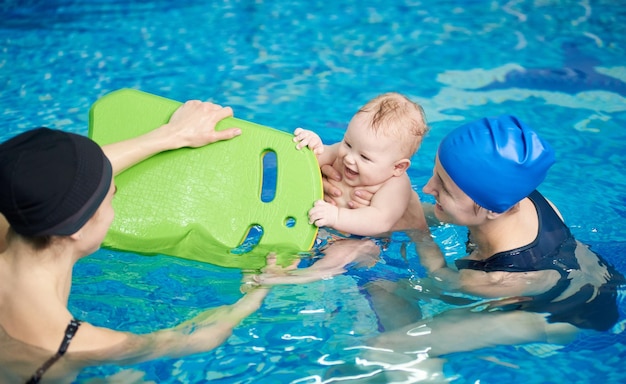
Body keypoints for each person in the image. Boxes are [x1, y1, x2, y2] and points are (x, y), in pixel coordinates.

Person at [0, 101, 272, 383]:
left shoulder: (14, 215)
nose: (113, 200)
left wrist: (172, 134)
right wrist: (257, 292)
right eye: (112, 196)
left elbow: (53, 182)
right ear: (76, 230)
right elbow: (197, 339)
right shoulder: (77, 345)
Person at [340, 115, 624, 371]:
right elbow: (454, 212)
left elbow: (444, 284)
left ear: (493, 209)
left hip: (558, 318)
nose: (427, 187)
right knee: (385, 289)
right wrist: (384, 209)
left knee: (387, 347)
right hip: (587, 277)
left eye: (443, 186)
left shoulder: (498, 278)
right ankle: (423, 357)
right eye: (436, 173)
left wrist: (418, 233)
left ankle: (423, 367)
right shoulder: (515, 195)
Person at [253, 93, 430, 285]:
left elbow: (381, 220)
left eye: (365, 157)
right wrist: (311, 146)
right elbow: (309, 165)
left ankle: (303, 276)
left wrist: (336, 216)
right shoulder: (344, 152)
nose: (349, 158)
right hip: (317, 226)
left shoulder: (395, 185)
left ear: (398, 167)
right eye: (348, 143)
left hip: (358, 240)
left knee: (358, 249)